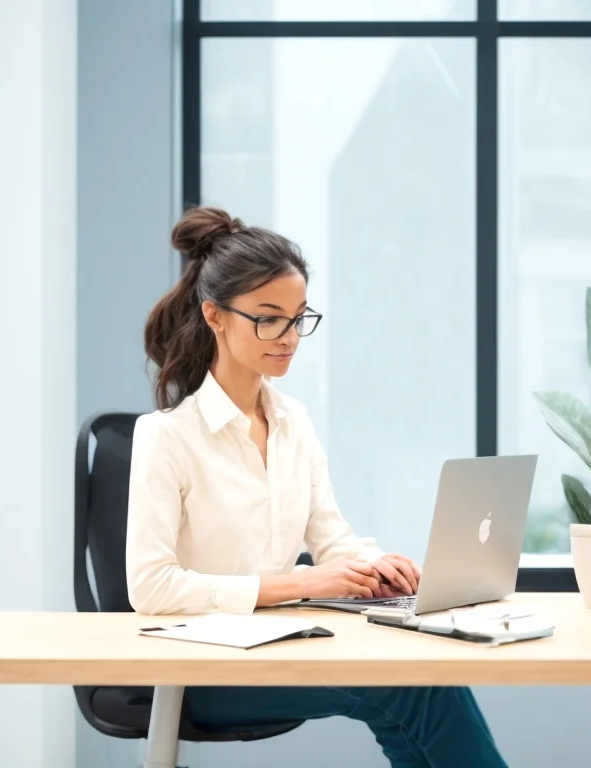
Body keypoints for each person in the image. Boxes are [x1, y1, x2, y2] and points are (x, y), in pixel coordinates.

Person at [126, 205, 509, 768]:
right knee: (412, 688)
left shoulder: (292, 422)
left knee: (418, 685)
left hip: (279, 645)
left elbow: (333, 540)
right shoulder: (167, 437)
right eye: (268, 318)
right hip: (202, 666)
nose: (288, 337)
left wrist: (376, 568)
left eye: (298, 318)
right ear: (214, 316)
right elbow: (151, 588)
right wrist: (297, 584)